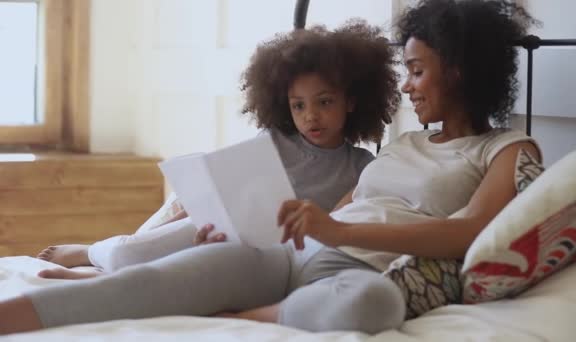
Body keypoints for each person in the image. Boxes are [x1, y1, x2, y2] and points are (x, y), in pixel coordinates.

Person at [0, 0, 542, 335]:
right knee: (143, 282)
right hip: (290, 256)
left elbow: (466, 233)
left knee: (372, 304)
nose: (406, 85)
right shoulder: (399, 145)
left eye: (418, 71)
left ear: (460, 71)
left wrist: (337, 229)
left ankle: (238, 318)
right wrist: (258, 224)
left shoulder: (509, 150)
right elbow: (333, 212)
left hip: (355, 272)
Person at [34, 20, 401, 279]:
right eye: (298, 106)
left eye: (324, 102)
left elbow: (336, 227)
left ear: (352, 101)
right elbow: (218, 192)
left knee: (178, 273)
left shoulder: (361, 166)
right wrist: (166, 228)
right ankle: (92, 253)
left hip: (274, 255)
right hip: (220, 226)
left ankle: (98, 275)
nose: (311, 117)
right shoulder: (273, 140)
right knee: (138, 250)